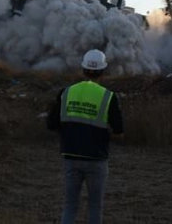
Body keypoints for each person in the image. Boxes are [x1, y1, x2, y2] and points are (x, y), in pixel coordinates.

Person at [47, 49, 124, 224]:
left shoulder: (66, 93)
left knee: (69, 205)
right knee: (95, 206)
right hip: (96, 159)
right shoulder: (108, 97)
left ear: (83, 70)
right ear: (103, 71)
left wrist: (69, 132)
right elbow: (119, 130)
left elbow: (51, 124)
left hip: (70, 157)